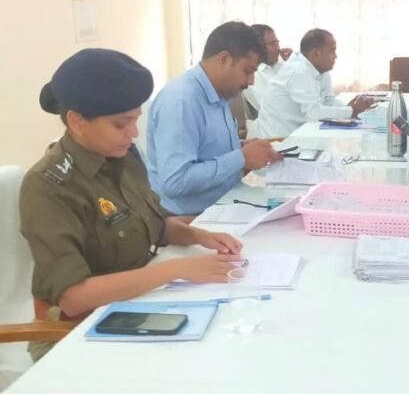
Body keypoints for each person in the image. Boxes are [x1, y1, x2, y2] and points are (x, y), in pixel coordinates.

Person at [20, 49, 245, 360]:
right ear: (77, 121)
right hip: (77, 331)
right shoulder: (49, 186)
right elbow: (74, 297)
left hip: (136, 304)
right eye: (120, 124)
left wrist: (200, 236)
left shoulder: (121, 156)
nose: (134, 133)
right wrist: (176, 270)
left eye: (136, 120)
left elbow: (152, 225)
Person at [146, 21, 282, 215]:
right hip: (192, 218)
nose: (251, 82)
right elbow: (175, 182)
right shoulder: (181, 101)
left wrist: (241, 147)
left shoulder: (219, 92)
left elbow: (204, 150)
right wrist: (241, 158)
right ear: (223, 59)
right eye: (247, 71)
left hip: (227, 201)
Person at [254, 28, 374, 139]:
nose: (336, 56)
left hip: (302, 134)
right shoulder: (298, 71)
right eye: (332, 51)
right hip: (280, 141)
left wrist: (349, 107)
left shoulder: (320, 70)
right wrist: (351, 110)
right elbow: (314, 114)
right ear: (316, 53)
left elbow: (328, 102)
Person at [243, 23, 292, 111]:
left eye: (277, 43)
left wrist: (293, 64)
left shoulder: (282, 65)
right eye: (272, 44)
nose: (278, 48)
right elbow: (272, 109)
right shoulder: (253, 75)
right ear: (258, 47)